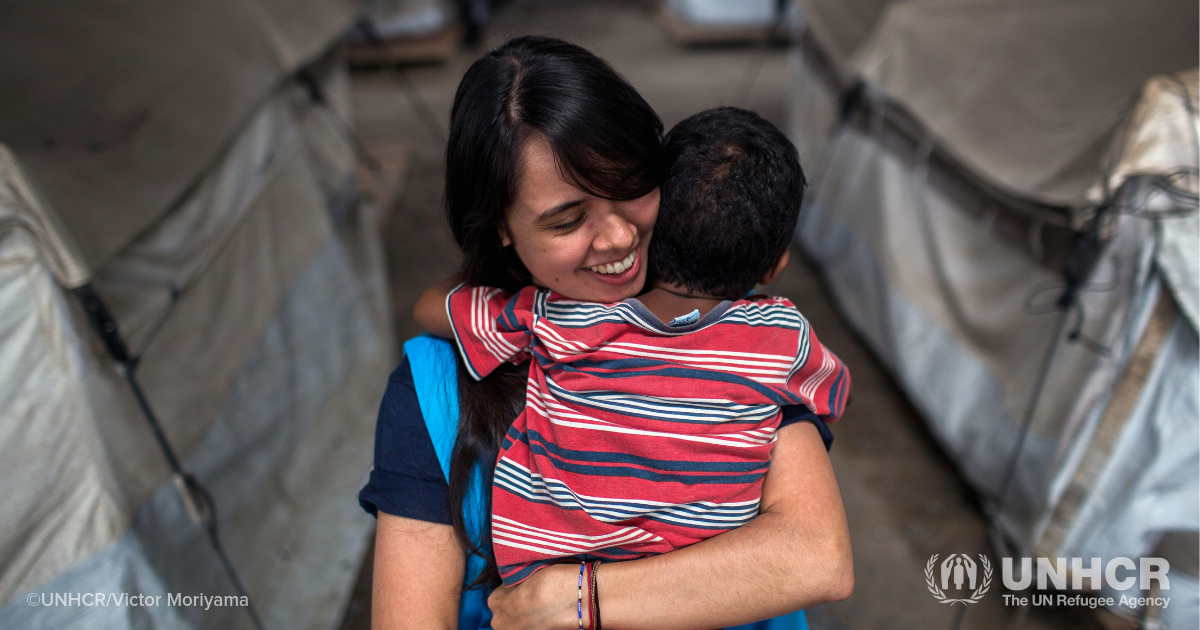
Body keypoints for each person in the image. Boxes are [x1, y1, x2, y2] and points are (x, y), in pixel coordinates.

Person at [359, 36, 853, 630]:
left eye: (632, 188)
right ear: (499, 230)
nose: (619, 237)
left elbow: (817, 557)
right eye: (568, 220)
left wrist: (579, 598)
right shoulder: (434, 390)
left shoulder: (730, 326)